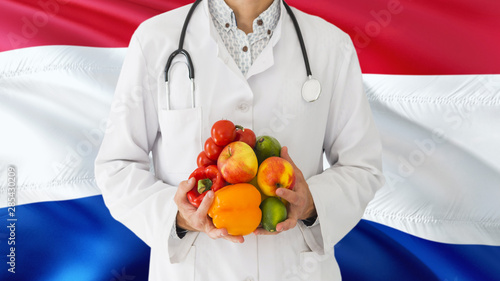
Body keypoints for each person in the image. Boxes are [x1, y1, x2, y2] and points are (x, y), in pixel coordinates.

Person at [95, 0, 384, 280]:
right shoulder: (155, 40)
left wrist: (312, 205)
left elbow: (362, 166)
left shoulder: (331, 46)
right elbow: (117, 166)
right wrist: (178, 218)